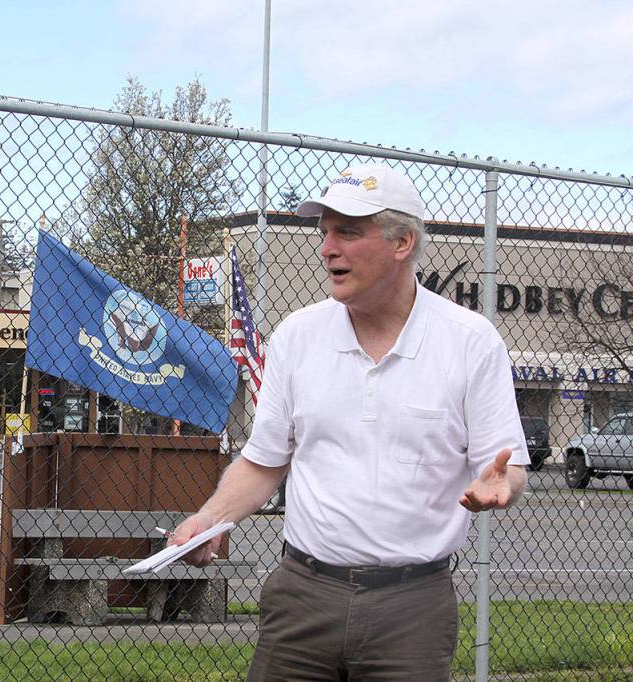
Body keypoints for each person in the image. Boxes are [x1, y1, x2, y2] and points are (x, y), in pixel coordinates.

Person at [172, 164, 529, 681]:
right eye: (325, 233)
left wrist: (505, 482)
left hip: (412, 610)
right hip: (302, 598)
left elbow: (507, 465)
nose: (327, 248)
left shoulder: (470, 342)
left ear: (403, 242)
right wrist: (209, 520)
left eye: (348, 232)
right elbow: (264, 462)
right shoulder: (297, 336)